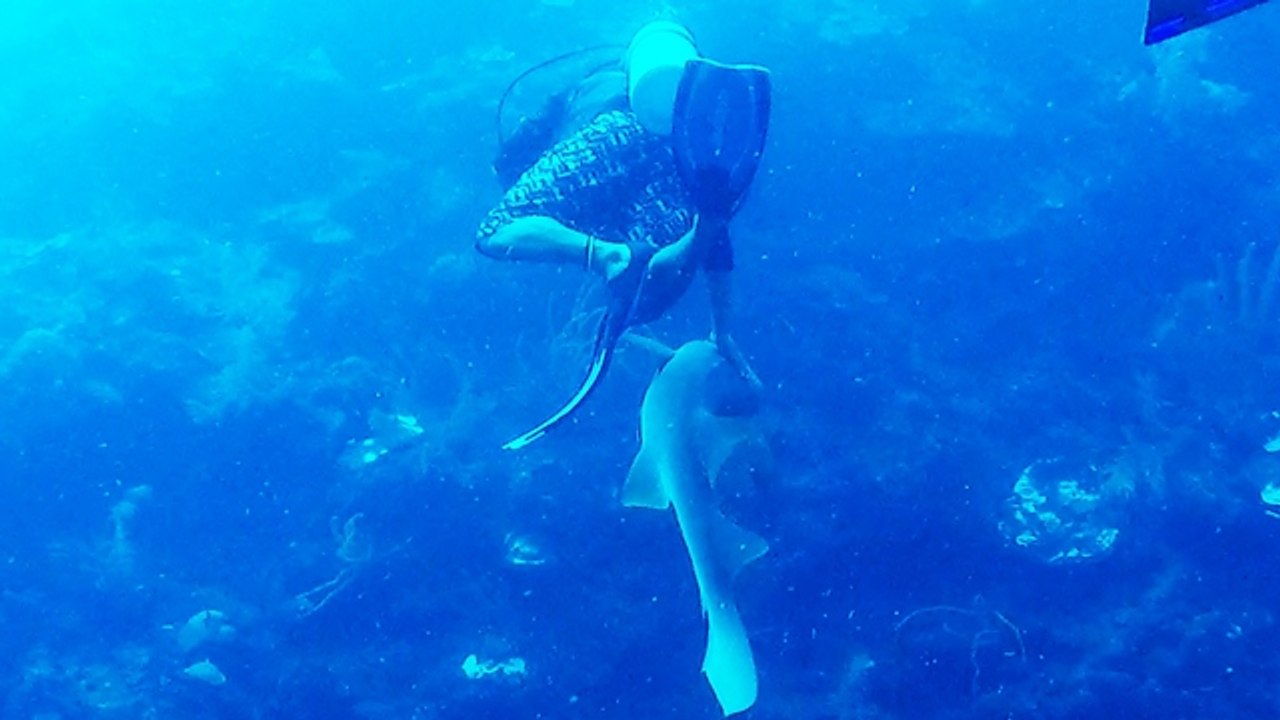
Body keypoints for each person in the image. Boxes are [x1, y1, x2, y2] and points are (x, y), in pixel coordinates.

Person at [476, 22, 771, 450]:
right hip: (678, 156)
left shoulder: (586, 83)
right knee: (658, 280)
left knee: (496, 231)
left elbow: (510, 160)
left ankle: (604, 254)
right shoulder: (692, 115)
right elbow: (720, 236)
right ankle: (667, 242)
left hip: (605, 139)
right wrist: (721, 328)